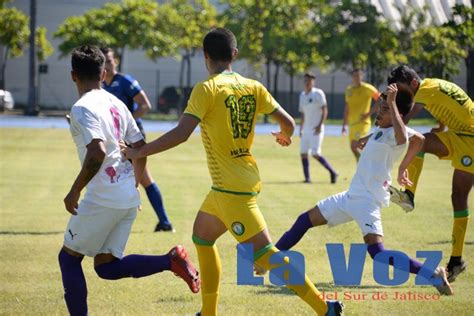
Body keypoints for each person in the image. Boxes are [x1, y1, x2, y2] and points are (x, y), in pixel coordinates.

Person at [122, 28, 344, 316]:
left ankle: (325, 308)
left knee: (265, 255)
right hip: (231, 184)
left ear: (205, 56)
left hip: (231, 189)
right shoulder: (253, 86)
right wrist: (285, 135)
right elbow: (288, 122)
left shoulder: (207, 89)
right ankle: (208, 312)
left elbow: (181, 133)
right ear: (234, 55)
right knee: (202, 237)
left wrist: (139, 151)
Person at [58, 45, 200, 316]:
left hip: (103, 197)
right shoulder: (117, 103)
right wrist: (134, 184)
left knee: (68, 258)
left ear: (73, 75)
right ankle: (170, 261)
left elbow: (97, 152)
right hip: (125, 195)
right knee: (106, 267)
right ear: (102, 73)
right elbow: (140, 146)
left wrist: (74, 191)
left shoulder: (82, 107)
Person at [275, 84, 454, 296]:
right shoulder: (382, 129)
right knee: (304, 221)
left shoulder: (398, 134)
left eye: (386, 109)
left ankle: (433, 274)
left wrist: (393, 108)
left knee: (378, 253)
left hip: (367, 201)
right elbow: (420, 139)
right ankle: (267, 258)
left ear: (398, 113)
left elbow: (407, 140)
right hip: (349, 197)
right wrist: (399, 164)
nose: (380, 111)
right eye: (381, 106)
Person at [386, 65, 473, 282]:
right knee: (421, 141)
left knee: (459, 197)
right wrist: (441, 126)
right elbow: (449, 102)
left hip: (471, 139)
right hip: (459, 134)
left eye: (403, 91)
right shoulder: (432, 84)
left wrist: (379, 133)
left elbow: (404, 120)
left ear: (413, 84)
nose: (402, 96)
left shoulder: (423, 91)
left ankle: (456, 260)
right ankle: (409, 195)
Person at [100, 47, 173, 232]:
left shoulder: (125, 81)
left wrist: (127, 125)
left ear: (115, 60)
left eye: (109, 60)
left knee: (142, 178)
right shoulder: (103, 86)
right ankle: (163, 222)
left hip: (133, 136)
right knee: (120, 176)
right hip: (117, 138)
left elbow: (145, 105)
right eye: (103, 62)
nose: (107, 65)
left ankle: (164, 222)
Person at [299, 72, 338, 184]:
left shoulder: (318, 93)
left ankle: (332, 172)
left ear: (313, 82)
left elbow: (325, 110)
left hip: (316, 129)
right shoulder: (302, 95)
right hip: (306, 129)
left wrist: (320, 125)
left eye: (310, 80)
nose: (307, 82)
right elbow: (302, 113)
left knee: (315, 153)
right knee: (303, 153)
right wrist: (301, 128)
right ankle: (307, 178)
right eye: (306, 80)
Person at [342, 68, 380, 161]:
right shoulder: (349, 90)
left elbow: (381, 99)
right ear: (352, 77)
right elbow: (347, 108)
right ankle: (361, 166)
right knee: (353, 148)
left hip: (363, 124)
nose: (357, 78)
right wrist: (344, 125)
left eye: (358, 75)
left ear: (362, 77)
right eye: (355, 76)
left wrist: (369, 113)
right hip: (352, 124)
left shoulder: (367, 88)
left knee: (357, 144)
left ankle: (367, 165)